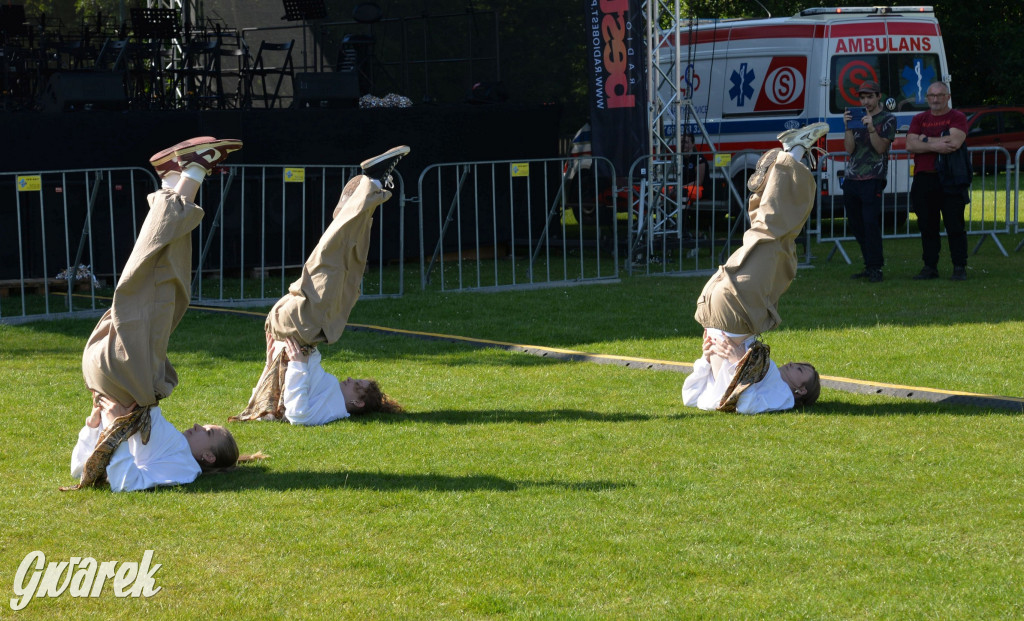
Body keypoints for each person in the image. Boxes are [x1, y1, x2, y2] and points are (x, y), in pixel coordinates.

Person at [66, 137, 263, 492]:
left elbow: (124, 482)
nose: (202, 425)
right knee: (160, 279)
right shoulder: (174, 453)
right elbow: (81, 467)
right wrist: (98, 425)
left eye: (209, 433)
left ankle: (191, 172)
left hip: (126, 379)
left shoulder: (184, 469)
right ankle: (175, 182)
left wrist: (102, 422)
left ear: (209, 458)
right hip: (118, 377)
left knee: (155, 281)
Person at [232, 147, 408, 426]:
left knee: (330, 261)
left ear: (357, 402)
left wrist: (294, 365)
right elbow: (270, 398)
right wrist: (273, 362)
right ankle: (365, 197)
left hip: (300, 330)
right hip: (298, 332)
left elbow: (297, 415)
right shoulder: (332, 395)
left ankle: (371, 186)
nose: (350, 378)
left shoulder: (335, 409)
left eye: (357, 384)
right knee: (350, 273)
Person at [682, 123, 826, 414]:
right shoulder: (772, 381)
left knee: (772, 235)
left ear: (801, 390)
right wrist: (713, 358)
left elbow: (740, 403)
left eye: (800, 369)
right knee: (771, 242)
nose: (792, 364)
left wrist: (715, 358)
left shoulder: (783, 398)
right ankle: (776, 173)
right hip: (723, 309)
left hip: (735, 311)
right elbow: (694, 398)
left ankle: (791, 154)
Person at [905, 81, 970, 281]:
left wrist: (924, 140)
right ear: (926, 98)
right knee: (927, 225)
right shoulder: (919, 118)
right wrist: (937, 143)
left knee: (954, 225)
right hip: (924, 178)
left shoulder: (957, 117)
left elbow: (953, 143)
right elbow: (909, 144)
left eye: (940, 95)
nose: (935, 99)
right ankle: (930, 267)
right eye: (931, 95)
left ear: (947, 97)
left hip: (951, 179)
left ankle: (959, 267)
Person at [842, 80, 897, 282]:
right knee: (856, 224)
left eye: (869, 97)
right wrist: (848, 127)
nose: (866, 101)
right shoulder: (857, 118)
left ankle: (876, 267)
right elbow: (849, 149)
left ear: (878, 96)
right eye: (862, 97)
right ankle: (868, 264)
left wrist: (872, 128)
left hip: (873, 177)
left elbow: (881, 148)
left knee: (870, 222)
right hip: (852, 178)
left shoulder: (888, 118)